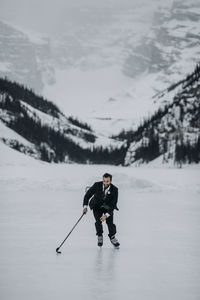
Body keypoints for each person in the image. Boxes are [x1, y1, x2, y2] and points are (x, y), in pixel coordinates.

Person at [83, 173, 120, 248]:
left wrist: (106, 215)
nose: (105, 183)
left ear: (111, 181)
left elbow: (113, 204)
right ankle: (100, 235)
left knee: (110, 223)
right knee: (98, 221)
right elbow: (87, 196)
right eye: (104, 181)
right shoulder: (97, 185)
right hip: (96, 206)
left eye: (107, 181)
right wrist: (85, 207)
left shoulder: (115, 190)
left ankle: (112, 237)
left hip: (108, 207)